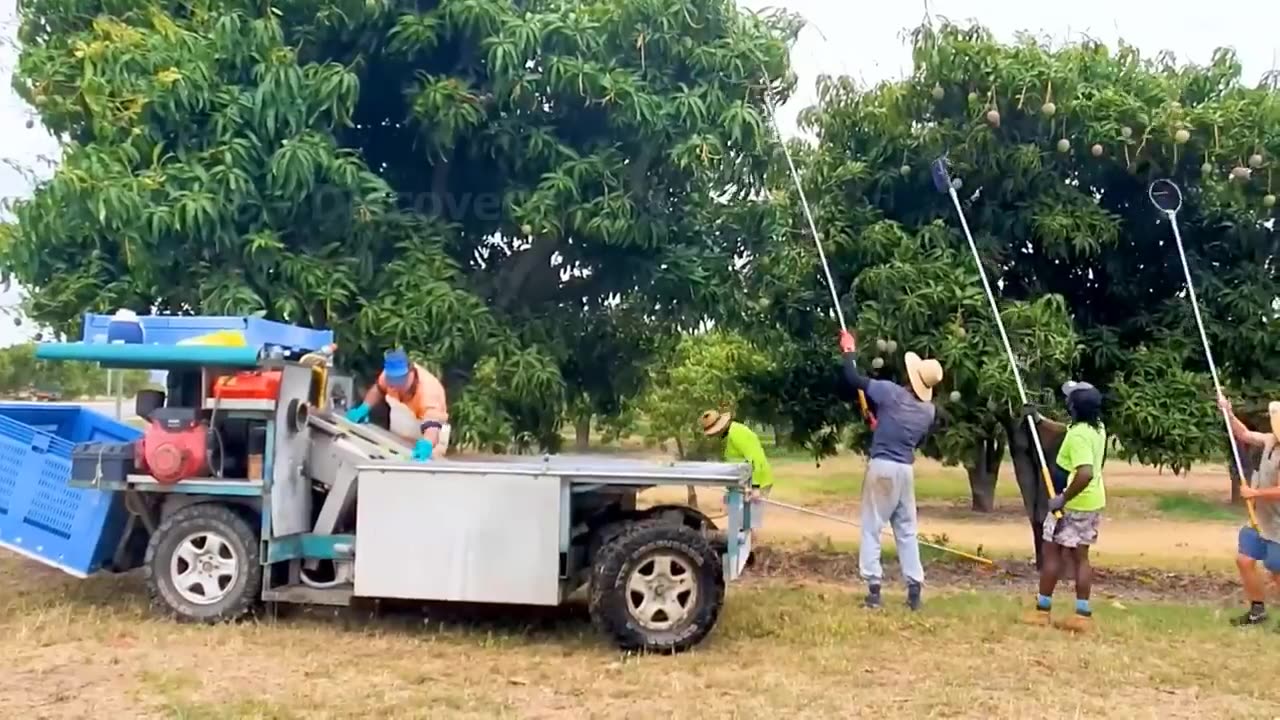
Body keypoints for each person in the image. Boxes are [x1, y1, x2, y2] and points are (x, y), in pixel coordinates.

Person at [838, 329, 943, 611]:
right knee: (906, 530)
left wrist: (849, 350)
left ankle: (873, 592)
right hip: (905, 471)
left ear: (911, 377)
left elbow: (852, 379)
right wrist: (880, 425)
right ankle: (914, 591)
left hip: (882, 467)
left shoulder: (890, 392)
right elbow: (907, 433)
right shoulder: (928, 411)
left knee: (872, 527)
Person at [1023, 381, 1107, 632]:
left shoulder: (1079, 435)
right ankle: (1083, 614)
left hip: (1074, 504)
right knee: (1081, 557)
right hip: (1093, 502)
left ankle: (1042, 610)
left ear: (1075, 407)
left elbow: (1085, 473)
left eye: (1070, 400)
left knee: (1052, 554)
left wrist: (1063, 498)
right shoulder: (1096, 427)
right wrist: (1038, 420)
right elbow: (1062, 429)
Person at [1216, 394, 1280, 627]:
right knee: (1244, 560)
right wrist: (1229, 413)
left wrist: (1255, 494)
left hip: (1278, 524)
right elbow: (1243, 434)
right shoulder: (1270, 441)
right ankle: (1257, 610)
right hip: (1260, 519)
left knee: (1277, 572)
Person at [346, 349, 449, 461]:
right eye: (392, 380)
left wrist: (427, 444)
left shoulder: (429, 390)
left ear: (411, 372)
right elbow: (379, 389)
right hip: (398, 438)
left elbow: (432, 424)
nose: (394, 386)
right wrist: (364, 408)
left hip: (429, 437)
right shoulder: (389, 376)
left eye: (399, 380)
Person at [700, 409, 773, 558]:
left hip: (756, 481)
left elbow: (755, 458)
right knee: (741, 520)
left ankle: (749, 555)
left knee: (747, 521)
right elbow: (734, 463)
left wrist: (756, 487)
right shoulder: (728, 435)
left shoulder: (738, 433)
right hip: (743, 484)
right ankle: (744, 553)